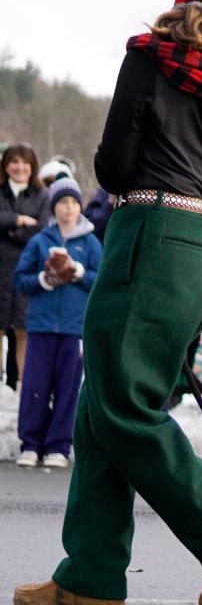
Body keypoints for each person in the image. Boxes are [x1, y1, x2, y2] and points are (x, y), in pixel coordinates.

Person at [15, 0, 202, 605]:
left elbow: (112, 167)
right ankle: (92, 574)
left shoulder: (152, 58)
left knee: (125, 408)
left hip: (148, 234)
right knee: (101, 402)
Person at [12, 176, 102, 469]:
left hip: (74, 328)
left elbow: (101, 282)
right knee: (35, 386)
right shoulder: (40, 240)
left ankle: (59, 446)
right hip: (40, 326)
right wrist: (43, 279)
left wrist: (77, 271)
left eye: (74, 202)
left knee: (67, 389)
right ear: (54, 207)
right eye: (63, 202)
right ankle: (30, 443)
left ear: (80, 207)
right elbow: (20, 280)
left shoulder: (90, 242)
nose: (69, 207)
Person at [1, 143, 45, 391]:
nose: (19, 167)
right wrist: (17, 220)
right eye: (14, 162)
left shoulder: (43, 195)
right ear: (6, 166)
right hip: (0, 268)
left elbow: (41, 229)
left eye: (25, 162)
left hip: (27, 269)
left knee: (22, 329)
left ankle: (23, 384)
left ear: (32, 167)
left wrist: (8, 233)